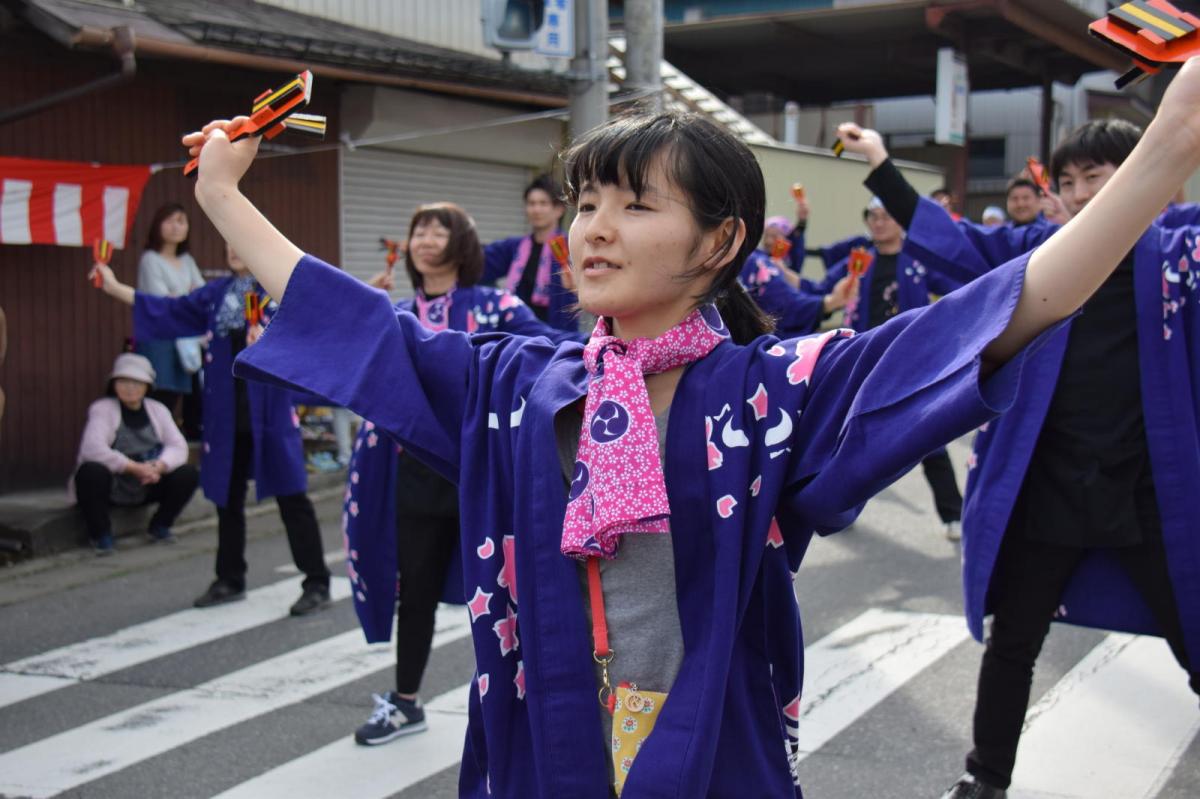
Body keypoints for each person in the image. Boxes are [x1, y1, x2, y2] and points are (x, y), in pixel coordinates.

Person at [181, 57, 1200, 794]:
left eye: (633, 205)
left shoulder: (773, 389)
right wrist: (225, 196)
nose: (593, 228)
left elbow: (998, 311)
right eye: (584, 203)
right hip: (545, 753)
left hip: (713, 757)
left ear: (722, 240)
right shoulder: (516, 379)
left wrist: (1160, 158)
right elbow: (363, 331)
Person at [837, 117, 1200, 799]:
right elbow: (956, 242)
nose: (1082, 193)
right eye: (1069, 181)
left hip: (1152, 492)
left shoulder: (1182, 251)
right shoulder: (1041, 251)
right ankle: (985, 779)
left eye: (1098, 175)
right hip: (1050, 488)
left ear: (1149, 171)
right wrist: (882, 161)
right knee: (1013, 644)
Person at [348, 201, 585, 746]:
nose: (426, 238)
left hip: (485, 469)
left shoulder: (497, 305)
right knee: (419, 591)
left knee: (517, 586)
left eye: (439, 229)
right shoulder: (397, 312)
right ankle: (406, 702)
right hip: (415, 475)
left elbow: (551, 351)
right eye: (418, 229)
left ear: (464, 245)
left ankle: (541, 702)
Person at [90, 245, 332, 616]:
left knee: (292, 497)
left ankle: (316, 581)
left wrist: (272, 342)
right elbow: (169, 310)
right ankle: (229, 578)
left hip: (270, 413)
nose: (236, 249)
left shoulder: (280, 289)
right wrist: (114, 287)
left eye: (241, 241)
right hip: (226, 414)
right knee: (226, 499)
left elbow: (316, 326)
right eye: (230, 243)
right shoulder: (216, 294)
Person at [812, 196, 966, 539]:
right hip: (865, 358)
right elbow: (821, 293)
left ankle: (953, 513)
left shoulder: (918, 257)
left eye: (886, 216)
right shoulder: (860, 259)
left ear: (899, 221)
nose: (879, 223)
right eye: (873, 216)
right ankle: (838, 509)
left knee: (929, 436)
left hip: (911, 359)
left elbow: (960, 288)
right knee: (847, 436)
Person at [68, 353, 199, 554]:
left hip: (148, 481)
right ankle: (101, 535)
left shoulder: (158, 409)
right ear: (114, 384)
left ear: (147, 386)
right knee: (90, 472)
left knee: (188, 474)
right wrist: (133, 468)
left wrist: (158, 466)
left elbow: (178, 446)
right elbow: (92, 448)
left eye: (137, 382)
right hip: (115, 483)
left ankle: (160, 526)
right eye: (124, 381)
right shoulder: (102, 409)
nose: (130, 388)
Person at [136, 202, 206, 439]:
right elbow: (161, 302)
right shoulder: (150, 260)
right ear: (158, 225)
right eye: (170, 220)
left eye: (181, 221)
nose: (176, 227)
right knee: (161, 395)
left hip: (187, 341)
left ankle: (185, 442)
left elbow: (201, 296)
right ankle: (153, 442)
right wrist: (185, 299)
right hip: (160, 340)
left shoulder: (187, 261)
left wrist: (180, 299)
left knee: (191, 395)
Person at [483, 175, 580, 332]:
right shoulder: (514, 247)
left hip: (556, 338)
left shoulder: (570, 247)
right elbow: (478, 264)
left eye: (543, 203)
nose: (536, 209)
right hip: (515, 333)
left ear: (559, 209)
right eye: (531, 203)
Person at [739, 215, 858, 338]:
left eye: (774, 236)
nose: (769, 241)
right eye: (767, 236)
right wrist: (829, 302)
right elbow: (786, 301)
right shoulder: (758, 263)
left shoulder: (785, 261)